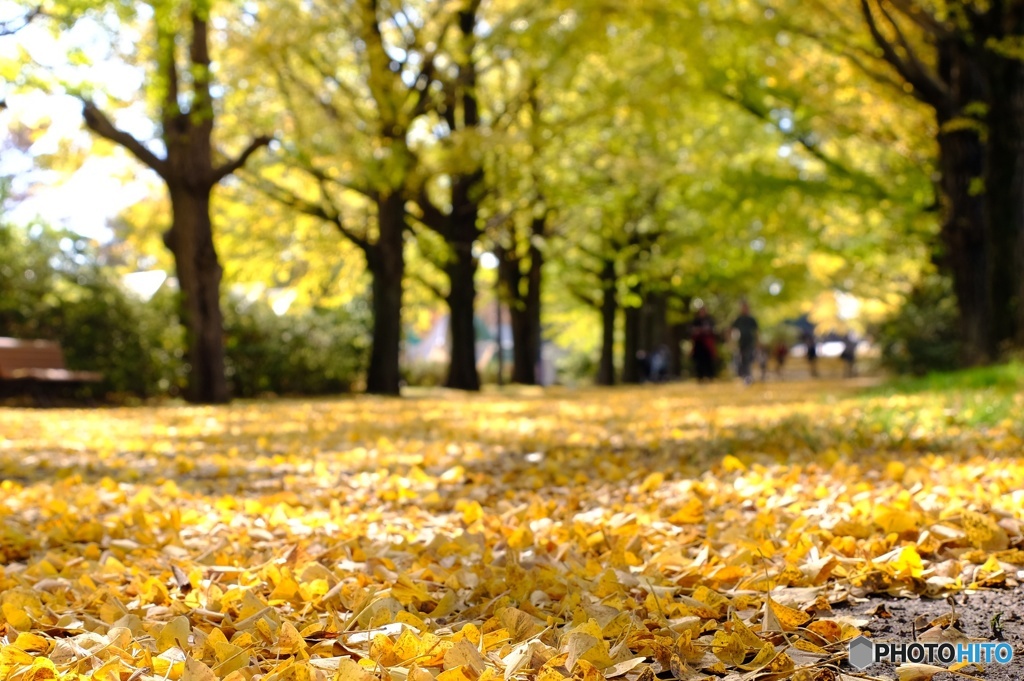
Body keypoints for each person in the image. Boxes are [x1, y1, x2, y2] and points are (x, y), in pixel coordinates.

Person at [731, 301, 759, 384]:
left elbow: (756, 331)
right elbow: (731, 329)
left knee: (748, 358)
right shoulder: (738, 319)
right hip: (741, 343)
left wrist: (758, 342)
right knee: (742, 359)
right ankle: (745, 376)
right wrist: (731, 341)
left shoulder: (751, 320)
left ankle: (748, 376)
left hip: (750, 342)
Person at [690, 307, 717, 382]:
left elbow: (713, 330)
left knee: (708, 360)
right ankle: (700, 376)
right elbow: (692, 330)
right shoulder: (696, 321)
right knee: (699, 361)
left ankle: (710, 375)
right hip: (698, 344)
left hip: (707, 344)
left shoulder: (709, 320)